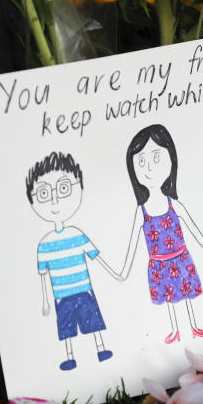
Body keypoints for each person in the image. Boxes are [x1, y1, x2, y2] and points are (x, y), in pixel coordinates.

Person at [119, 125, 203, 344]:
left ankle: (193, 325)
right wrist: (124, 271)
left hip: (180, 258)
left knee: (186, 295)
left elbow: (191, 225)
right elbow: (132, 242)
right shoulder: (141, 211)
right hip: (159, 264)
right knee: (170, 299)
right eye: (141, 161)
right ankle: (175, 329)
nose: (148, 168)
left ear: (171, 159)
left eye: (156, 157)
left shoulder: (173, 203)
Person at [27, 152, 117, 371]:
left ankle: (101, 348)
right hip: (61, 296)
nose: (55, 200)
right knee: (66, 327)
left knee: (92, 321)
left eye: (64, 188)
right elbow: (43, 277)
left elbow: (96, 257)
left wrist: (115, 273)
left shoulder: (77, 235)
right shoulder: (43, 245)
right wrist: (45, 301)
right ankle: (69, 356)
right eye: (44, 193)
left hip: (83, 290)